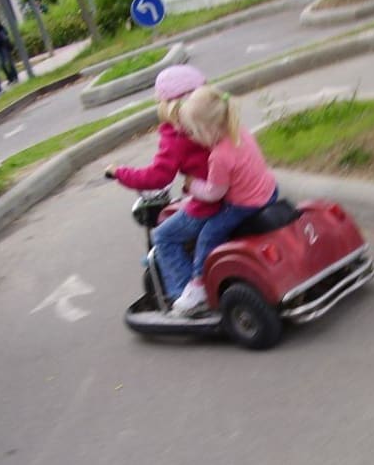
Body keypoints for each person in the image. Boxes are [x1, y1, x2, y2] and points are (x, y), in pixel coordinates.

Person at [104, 65, 221, 305]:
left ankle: (186, 296)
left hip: (208, 203)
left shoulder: (177, 134)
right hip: (232, 194)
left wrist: (119, 172)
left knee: (164, 236)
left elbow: (158, 177)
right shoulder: (217, 119)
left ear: (168, 105)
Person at [170, 85, 279, 314]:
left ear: (207, 129)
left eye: (193, 132)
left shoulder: (219, 156)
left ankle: (198, 284)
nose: (192, 137)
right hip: (269, 192)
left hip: (245, 205)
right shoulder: (240, 131)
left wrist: (191, 185)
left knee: (208, 234)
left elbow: (214, 193)